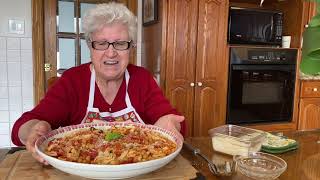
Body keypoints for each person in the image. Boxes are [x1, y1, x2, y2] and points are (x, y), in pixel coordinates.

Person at [11, 2, 186, 164]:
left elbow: (173, 122)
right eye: (101, 43)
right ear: (90, 46)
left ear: (131, 47)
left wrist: (169, 124)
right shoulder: (73, 81)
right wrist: (35, 128)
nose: (111, 53)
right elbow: (21, 127)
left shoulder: (142, 79)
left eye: (120, 43)